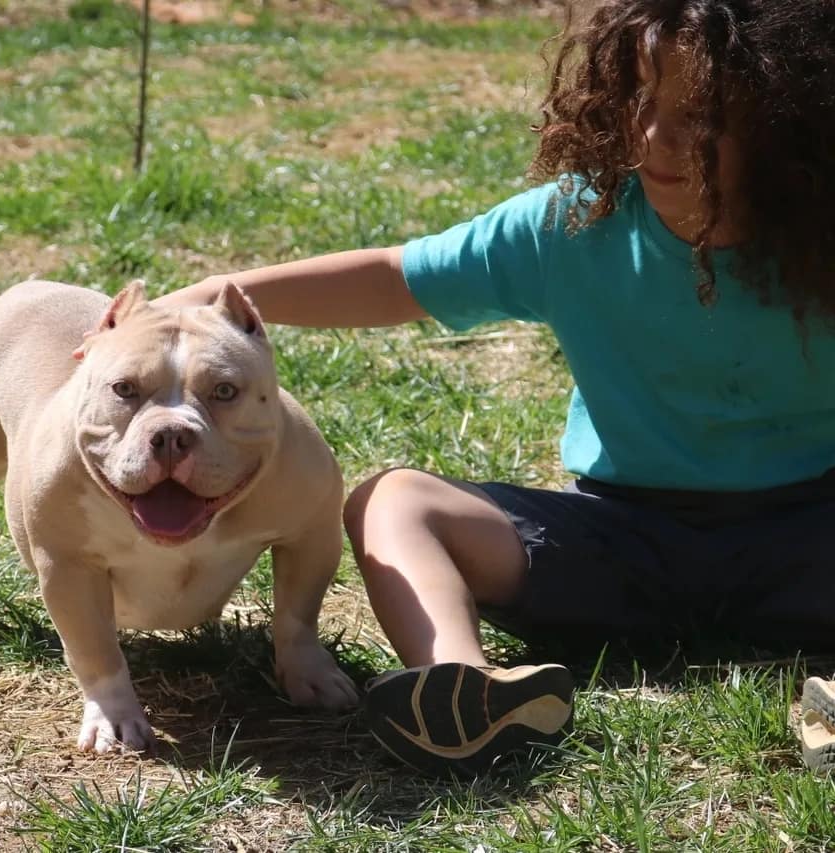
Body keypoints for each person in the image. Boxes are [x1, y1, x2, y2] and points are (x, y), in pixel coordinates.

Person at [156, 0, 835, 777]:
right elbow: (392, 280)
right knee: (393, 500)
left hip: (809, 534)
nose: (655, 138)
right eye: (640, 103)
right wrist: (213, 291)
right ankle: (465, 691)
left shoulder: (820, 233)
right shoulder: (576, 223)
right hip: (620, 539)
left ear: (791, 120)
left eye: (701, 115)